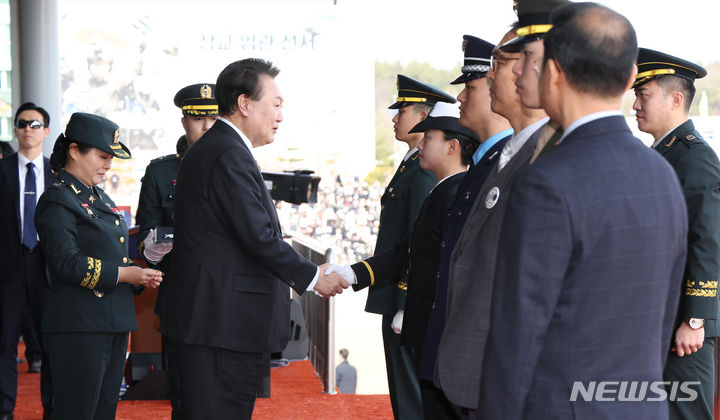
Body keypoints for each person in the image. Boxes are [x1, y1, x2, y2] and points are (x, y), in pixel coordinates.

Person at [477, 3, 688, 419]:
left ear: (553, 72)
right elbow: (660, 322)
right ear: (630, 78)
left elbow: (515, 337)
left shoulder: (546, 181)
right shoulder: (662, 173)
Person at [162, 58, 348, 420]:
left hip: (216, 323)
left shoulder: (221, 148)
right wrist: (313, 277)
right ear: (245, 104)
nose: (281, 115)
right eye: (276, 104)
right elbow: (258, 236)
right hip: (220, 327)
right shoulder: (227, 153)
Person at [433, 23, 550, 416]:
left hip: (506, 374)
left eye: (497, 65)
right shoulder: (510, 153)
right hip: (478, 367)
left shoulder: (546, 157)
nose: (489, 76)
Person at [333, 102, 477, 418]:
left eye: (428, 139)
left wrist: (402, 304)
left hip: (439, 332)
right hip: (427, 328)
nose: (420, 145)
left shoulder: (455, 196)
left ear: (452, 146)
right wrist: (352, 273)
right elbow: (406, 251)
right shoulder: (444, 191)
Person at [35, 112, 163, 420]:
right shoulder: (58, 199)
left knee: (103, 411)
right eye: (103, 156)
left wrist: (138, 274)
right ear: (75, 150)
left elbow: (111, 254)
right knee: (77, 411)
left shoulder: (98, 196)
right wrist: (124, 274)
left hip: (112, 321)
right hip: (79, 324)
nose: (108, 165)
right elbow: (67, 262)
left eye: (111, 158)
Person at [632, 48, 720, 420]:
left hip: (684, 330)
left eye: (644, 95)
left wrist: (695, 319)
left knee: (686, 413)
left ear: (676, 99)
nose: (635, 103)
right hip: (660, 320)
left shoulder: (693, 157)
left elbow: (708, 237)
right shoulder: (662, 154)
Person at [365, 74, 454, 420]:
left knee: (410, 394)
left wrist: (405, 302)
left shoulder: (421, 174)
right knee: (402, 391)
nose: (394, 118)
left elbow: (421, 245)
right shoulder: (409, 167)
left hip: (406, 300)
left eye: (401, 111)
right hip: (394, 293)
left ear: (423, 116)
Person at [135, 83, 219, 419]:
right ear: (184, 121)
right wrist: (154, 247)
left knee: (227, 389)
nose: (206, 126)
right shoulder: (161, 171)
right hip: (181, 292)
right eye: (197, 118)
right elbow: (144, 235)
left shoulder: (239, 164)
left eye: (213, 117)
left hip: (227, 294)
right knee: (184, 393)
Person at [0, 102, 54, 420]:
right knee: (5, 341)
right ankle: (4, 408)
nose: (28, 130)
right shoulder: (2, 169)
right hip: (8, 267)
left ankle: (54, 407)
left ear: (46, 131)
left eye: (35, 124)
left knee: (51, 344)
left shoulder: (57, 173)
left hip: (48, 268)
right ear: (16, 130)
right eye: (22, 124)